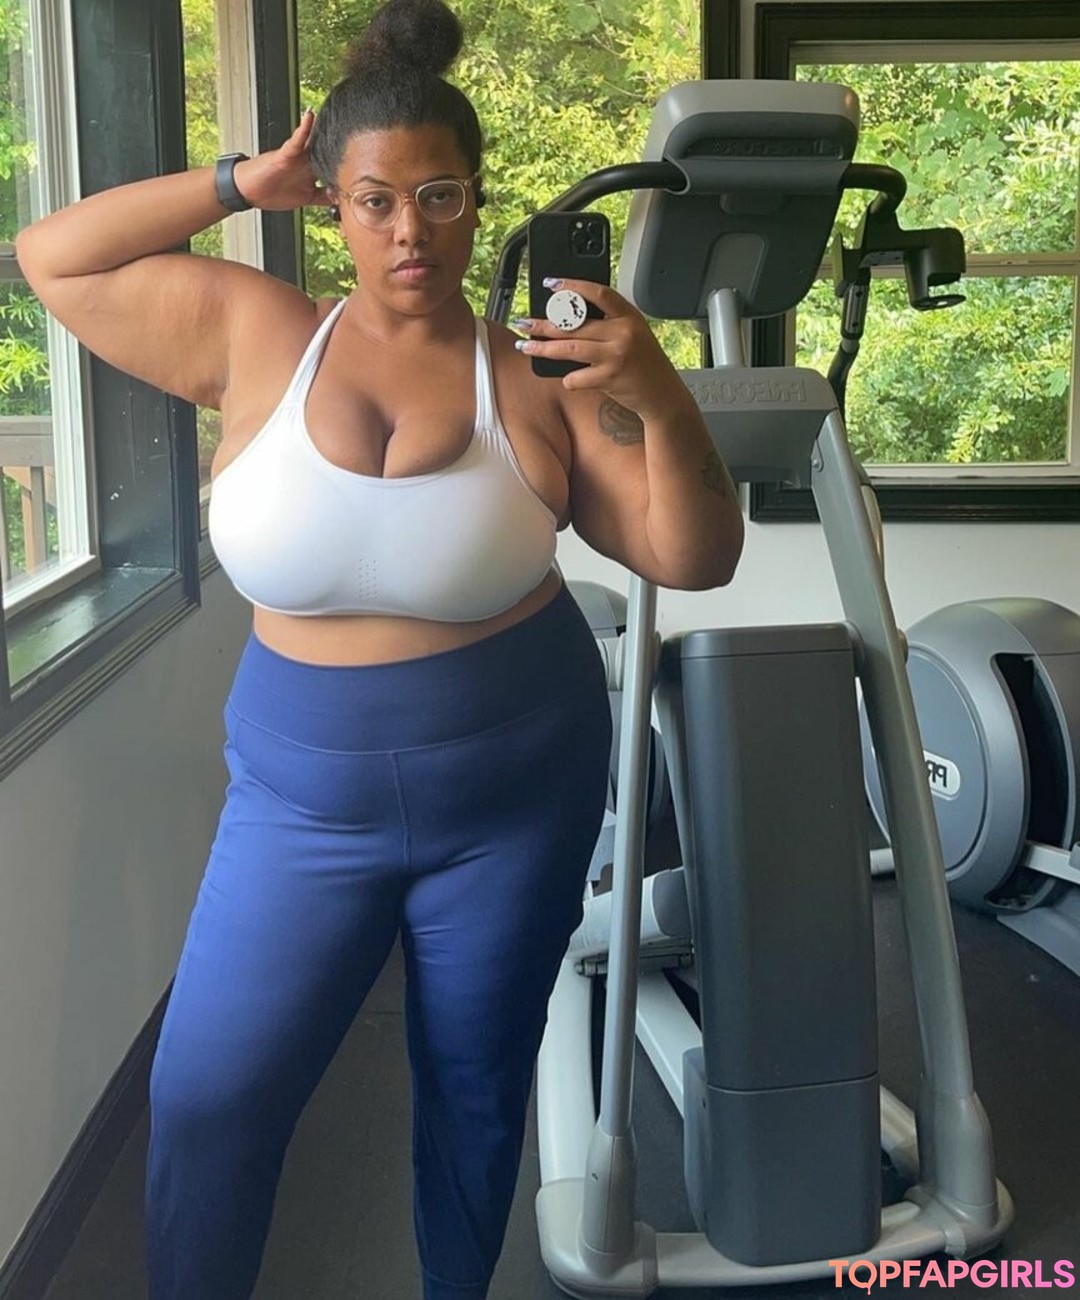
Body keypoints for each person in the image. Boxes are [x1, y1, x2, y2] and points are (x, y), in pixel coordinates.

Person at [15, 1, 743, 1296]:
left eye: (440, 195)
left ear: (478, 202)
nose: (411, 231)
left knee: (473, 1092)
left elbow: (693, 556)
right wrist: (241, 180)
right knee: (208, 1096)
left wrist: (657, 390)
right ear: (333, 208)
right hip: (300, 797)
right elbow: (51, 257)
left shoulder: (536, 372)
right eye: (375, 200)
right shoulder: (254, 332)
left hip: (516, 787)